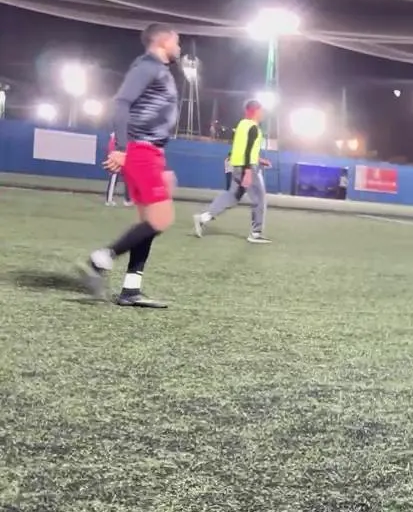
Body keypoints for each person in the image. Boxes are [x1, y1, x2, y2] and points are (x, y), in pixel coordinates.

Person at [79, 23, 182, 308]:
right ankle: (100, 260)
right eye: (176, 42)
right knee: (160, 219)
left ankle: (131, 290)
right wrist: (123, 149)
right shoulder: (147, 66)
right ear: (163, 41)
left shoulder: (158, 70)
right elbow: (122, 103)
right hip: (139, 149)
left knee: (149, 222)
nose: (179, 47)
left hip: (150, 151)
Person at [192, 100, 272, 243]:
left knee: (232, 196)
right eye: (261, 111)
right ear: (255, 111)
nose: (262, 114)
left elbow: (244, 148)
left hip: (236, 166)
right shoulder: (254, 128)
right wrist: (248, 171)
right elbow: (247, 150)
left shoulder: (242, 125)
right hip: (248, 168)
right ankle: (255, 233)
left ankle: (204, 217)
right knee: (259, 199)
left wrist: (259, 160)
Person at [103, 132, 131, 206]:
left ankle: (127, 200)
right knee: (114, 177)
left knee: (128, 179)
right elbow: (111, 147)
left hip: (125, 158)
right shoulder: (116, 135)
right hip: (117, 158)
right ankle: (109, 200)